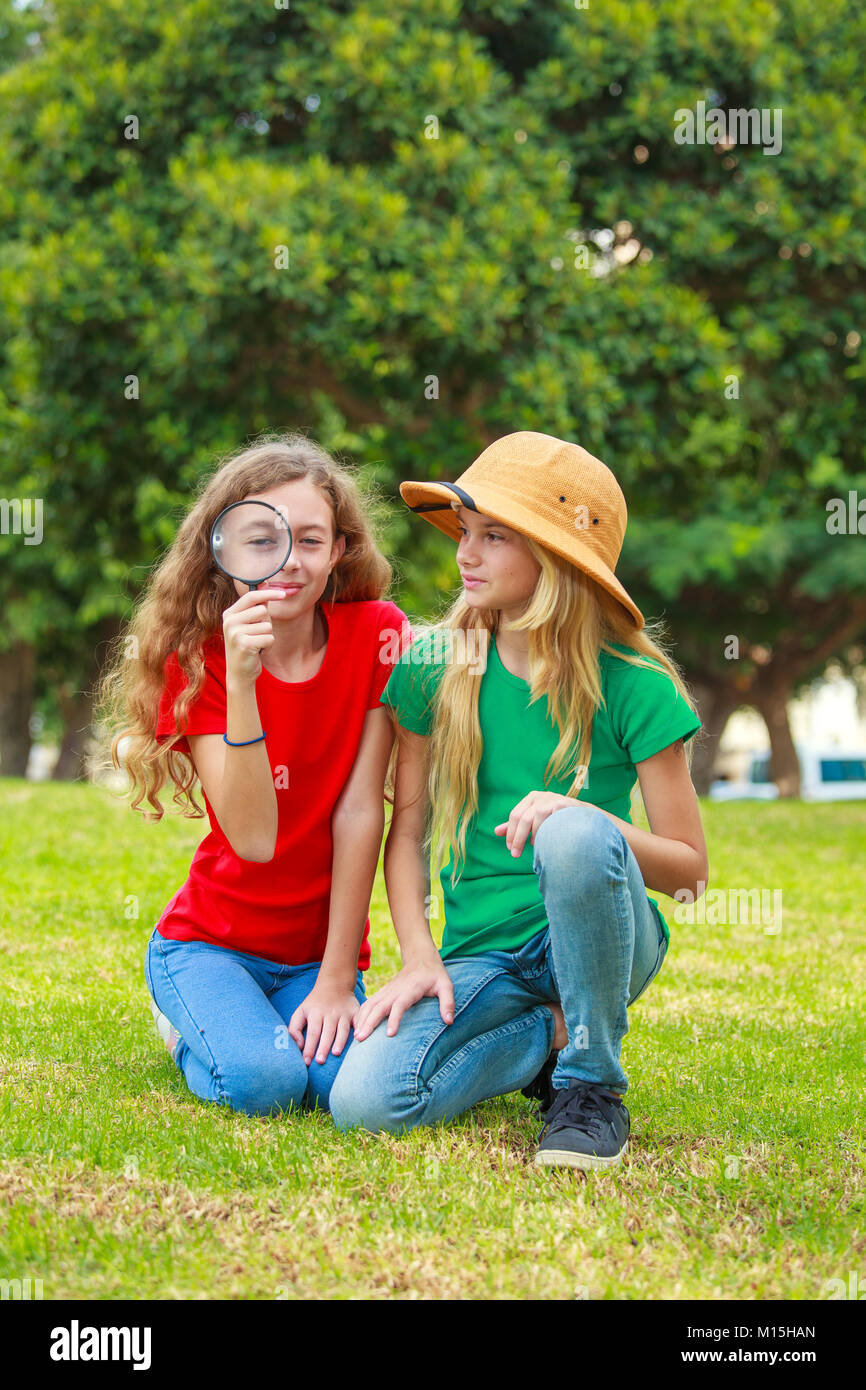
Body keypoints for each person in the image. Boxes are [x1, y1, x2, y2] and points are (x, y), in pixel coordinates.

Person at [329, 430, 708, 1170]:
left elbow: (689, 874)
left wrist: (587, 816)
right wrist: (416, 958)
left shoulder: (634, 684)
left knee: (568, 836)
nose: (465, 554)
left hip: (607, 937)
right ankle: (549, 1035)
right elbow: (405, 835)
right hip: (486, 956)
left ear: (557, 556)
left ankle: (591, 1087)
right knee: (365, 1103)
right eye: (465, 532)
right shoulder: (435, 665)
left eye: (494, 536)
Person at [99, 432, 410, 1117]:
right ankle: (186, 1022)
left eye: (309, 539)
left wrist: (336, 979)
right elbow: (254, 839)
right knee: (268, 1086)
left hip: (314, 957)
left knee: (338, 1089)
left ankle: (276, 1007)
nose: (288, 562)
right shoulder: (201, 660)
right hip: (210, 944)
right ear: (226, 553)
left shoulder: (378, 636)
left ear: (339, 551)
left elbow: (361, 813)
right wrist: (241, 683)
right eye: (263, 540)